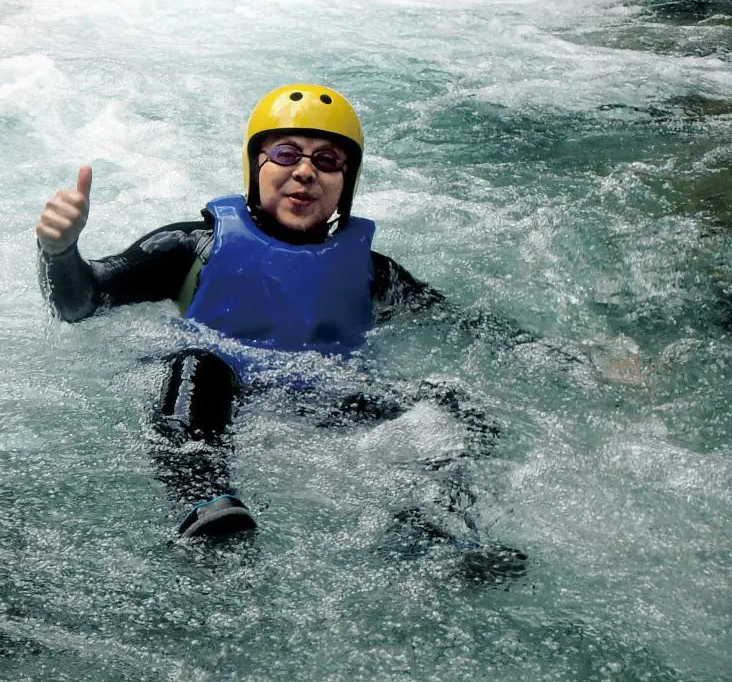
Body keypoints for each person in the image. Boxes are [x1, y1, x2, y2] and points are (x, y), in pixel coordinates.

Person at [36, 84, 525, 576]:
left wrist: (583, 360)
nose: (306, 171)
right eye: (286, 153)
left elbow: (465, 324)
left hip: (328, 400)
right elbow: (82, 303)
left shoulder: (375, 273)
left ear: (345, 183)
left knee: (450, 404)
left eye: (328, 160)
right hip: (220, 397)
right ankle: (205, 499)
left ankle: (438, 524)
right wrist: (60, 252)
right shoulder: (189, 247)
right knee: (195, 364)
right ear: (256, 168)